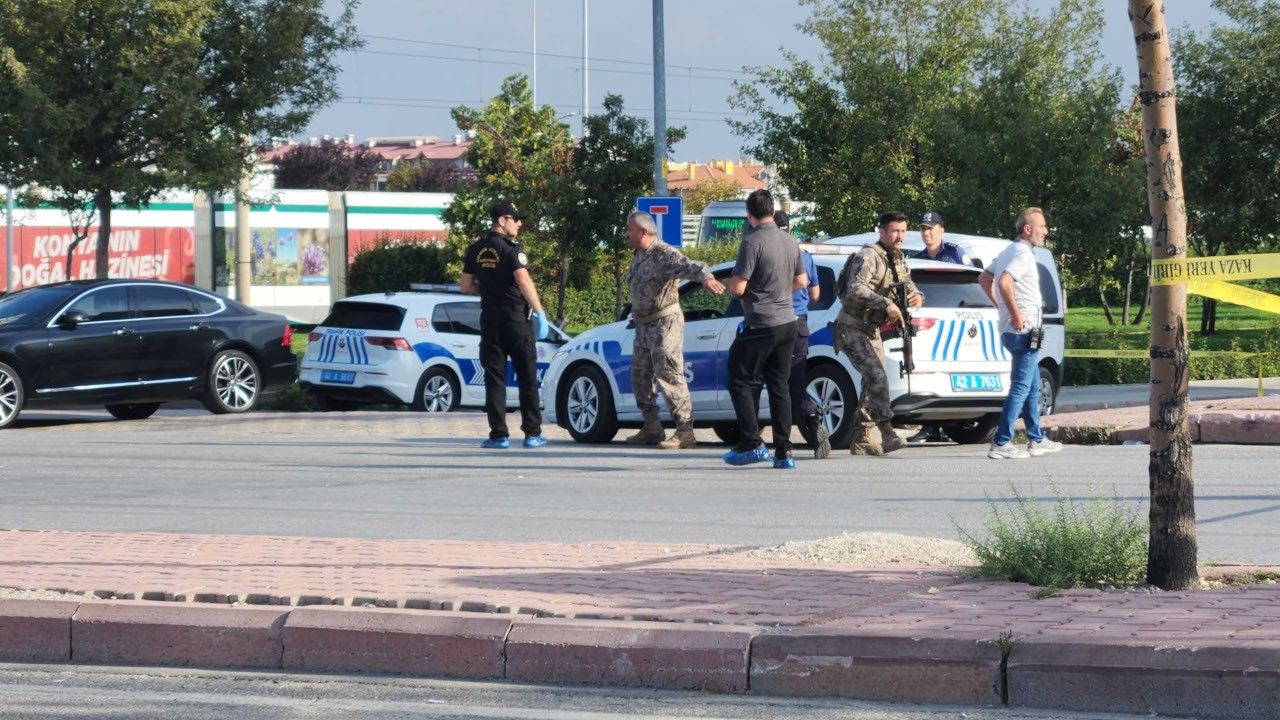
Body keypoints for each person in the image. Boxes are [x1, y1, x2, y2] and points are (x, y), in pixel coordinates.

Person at [623, 211, 726, 449]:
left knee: (669, 375)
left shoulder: (664, 254)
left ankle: (685, 432)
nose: (626, 234)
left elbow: (692, 266)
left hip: (664, 324)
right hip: (643, 326)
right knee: (639, 377)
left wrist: (706, 278)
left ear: (642, 232)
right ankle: (651, 427)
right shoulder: (638, 255)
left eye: (629, 229)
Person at [723, 189, 807, 470]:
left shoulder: (752, 242)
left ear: (749, 214)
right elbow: (802, 281)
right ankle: (784, 452)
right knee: (779, 386)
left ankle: (751, 443)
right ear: (772, 210)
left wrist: (750, 292)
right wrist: (780, 291)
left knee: (739, 378)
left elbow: (738, 287)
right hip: (788, 322)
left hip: (760, 321)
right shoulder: (789, 241)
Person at [460, 199, 549, 450]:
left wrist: (489, 287)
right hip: (515, 319)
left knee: (494, 378)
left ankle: (499, 435)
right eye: (515, 219)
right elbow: (523, 282)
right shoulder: (512, 250)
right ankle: (532, 434)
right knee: (527, 377)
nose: (519, 224)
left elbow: (465, 286)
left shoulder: (476, 249)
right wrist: (540, 313)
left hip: (490, 319)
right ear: (502, 220)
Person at [833, 210, 923, 455]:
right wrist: (886, 304)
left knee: (873, 380)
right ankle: (886, 432)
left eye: (903, 231)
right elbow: (855, 289)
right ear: (882, 231)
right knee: (876, 376)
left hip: (871, 329)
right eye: (895, 231)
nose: (900, 236)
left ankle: (863, 436)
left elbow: (909, 285)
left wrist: (917, 296)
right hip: (851, 327)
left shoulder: (898, 258)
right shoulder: (869, 255)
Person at [979, 207, 1064, 460]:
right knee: (1020, 387)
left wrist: (1001, 307)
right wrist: (1015, 314)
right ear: (1027, 229)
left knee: (1032, 385)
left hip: (1015, 329)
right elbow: (1004, 282)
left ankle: (1036, 439)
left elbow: (985, 278)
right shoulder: (1022, 254)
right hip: (1023, 330)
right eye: (1042, 226)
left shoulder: (1008, 251)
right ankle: (1001, 442)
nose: (1046, 231)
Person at [907, 210, 969, 445]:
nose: (927, 232)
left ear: (941, 230)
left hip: (957, 319)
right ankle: (931, 428)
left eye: (931, 228)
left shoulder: (954, 253)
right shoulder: (918, 258)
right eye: (923, 228)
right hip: (929, 322)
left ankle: (952, 424)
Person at [775, 210, 830, 459]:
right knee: (795, 384)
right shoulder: (805, 256)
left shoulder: (767, 252)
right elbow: (815, 295)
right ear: (789, 230)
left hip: (774, 323)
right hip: (800, 325)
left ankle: (780, 442)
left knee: (775, 384)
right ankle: (814, 421)